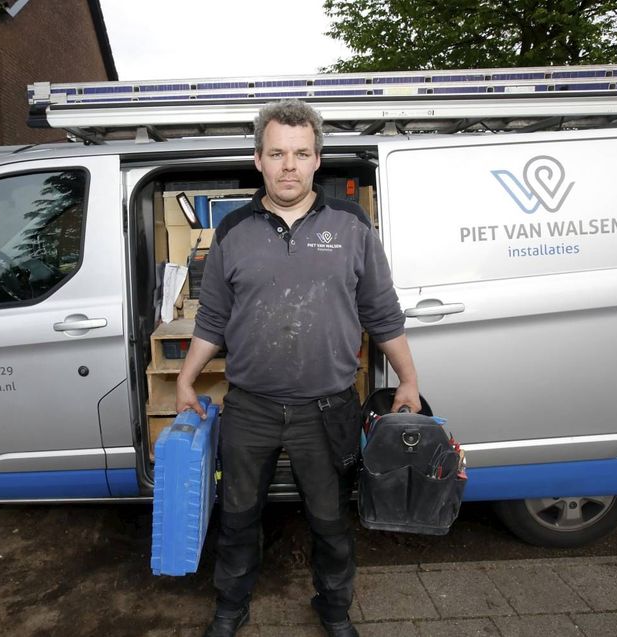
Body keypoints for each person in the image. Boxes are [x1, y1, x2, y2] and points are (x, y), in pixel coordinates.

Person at [175, 99, 421, 637]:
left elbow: (381, 310)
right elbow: (214, 315)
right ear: (257, 159)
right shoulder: (233, 231)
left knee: (331, 523)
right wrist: (186, 377)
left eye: (301, 153)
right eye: (277, 153)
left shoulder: (351, 225)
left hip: (328, 409)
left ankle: (333, 610)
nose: (289, 165)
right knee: (237, 517)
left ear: (317, 160)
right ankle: (230, 606)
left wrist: (408, 378)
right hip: (251, 408)